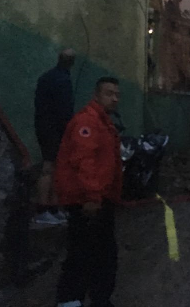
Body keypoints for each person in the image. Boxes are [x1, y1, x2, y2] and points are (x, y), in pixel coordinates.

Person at [54, 77, 123, 307]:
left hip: (99, 199)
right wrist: (92, 197)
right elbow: (84, 160)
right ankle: (70, 301)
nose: (114, 98)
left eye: (117, 94)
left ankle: (99, 300)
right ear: (96, 95)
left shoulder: (103, 124)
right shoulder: (88, 122)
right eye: (109, 93)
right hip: (87, 202)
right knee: (83, 254)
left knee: (102, 255)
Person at [33, 48, 76, 226]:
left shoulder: (45, 77)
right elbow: (64, 110)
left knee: (53, 167)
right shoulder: (64, 80)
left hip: (44, 127)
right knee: (50, 167)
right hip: (55, 130)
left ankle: (51, 209)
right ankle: (44, 210)